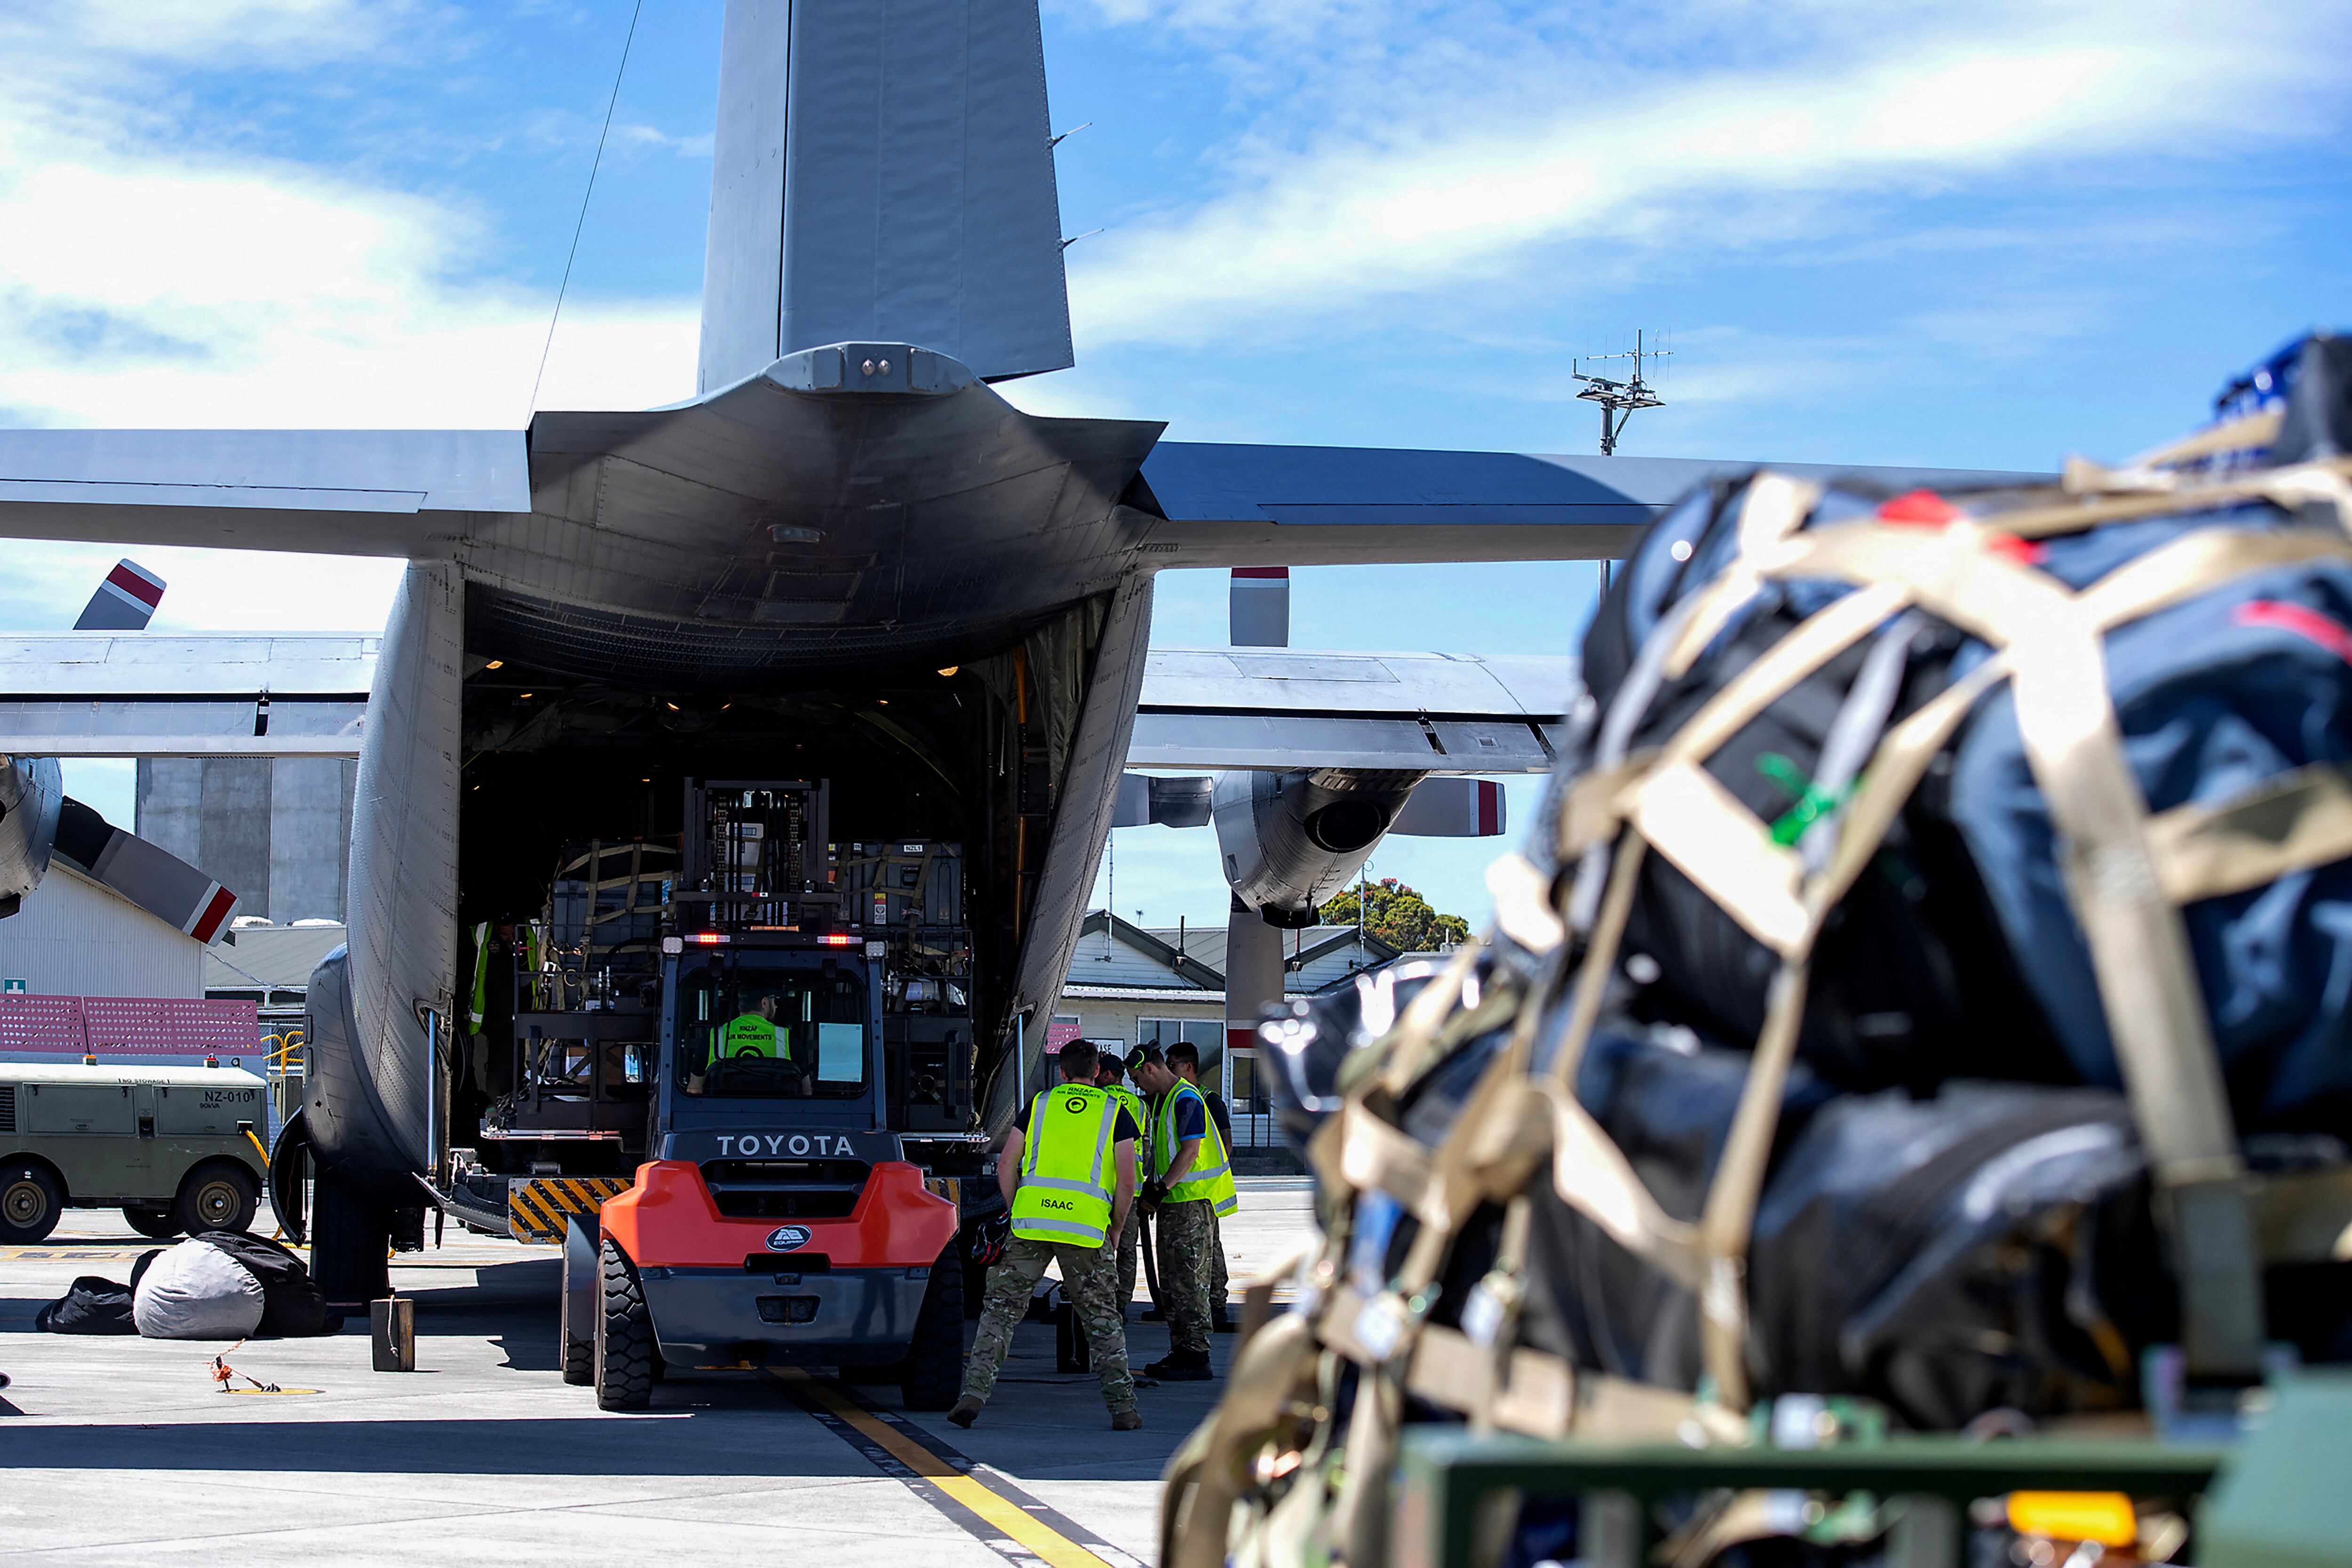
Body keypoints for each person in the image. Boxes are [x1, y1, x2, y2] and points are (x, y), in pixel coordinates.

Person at [953, 1038, 1142, 1431]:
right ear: (1097, 1072)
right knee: (1102, 1319)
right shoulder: (1116, 1112)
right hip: (1085, 1229)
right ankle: (1123, 1409)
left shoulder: (1038, 1105)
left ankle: (973, 1395)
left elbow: (1007, 1164)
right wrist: (1116, 1228)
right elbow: (1127, 1181)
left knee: (1001, 1311)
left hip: (1032, 1223)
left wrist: (1016, 1209)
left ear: (1062, 1072)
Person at [1130, 1044, 1236, 1381]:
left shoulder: (1185, 1098)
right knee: (1173, 1283)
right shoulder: (1165, 1101)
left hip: (1191, 1204)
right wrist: (1154, 1186)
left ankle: (1196, 1354)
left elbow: (1190, 1151)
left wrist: (1161, 1188)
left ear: (1149, 1069)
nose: (1138, 1086)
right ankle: (1182, 1350)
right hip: (1175, 1204)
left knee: (1189, 1282)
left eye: (1137, 1079)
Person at [1164, 1041, 1236, 1332]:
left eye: (1173, 1065)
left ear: (1189, 1067)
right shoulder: (1174, 1097)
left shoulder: (1207, 1100)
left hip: (1205, 1191)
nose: (1169, 1070)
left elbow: (1225, 1145)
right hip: (1188, 1191)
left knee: (1210, 1250)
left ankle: (1217, 1303)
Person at [1096, 1051, 1151, 1317]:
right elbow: (1147, 1150)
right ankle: (1122, 1303)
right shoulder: (1140, 1105)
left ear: (1107, 1075)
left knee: (1095, 1245)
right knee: (1128, 1249)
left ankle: (1098, 1298)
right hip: (1133, 1189)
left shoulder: (1100, 1101)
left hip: (1101, 1187)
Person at [721, 993, 788, 1060]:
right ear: (764, 1003)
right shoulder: (784, 1036)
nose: (776, 1007)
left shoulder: (719, 1034)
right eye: (775, 1002)